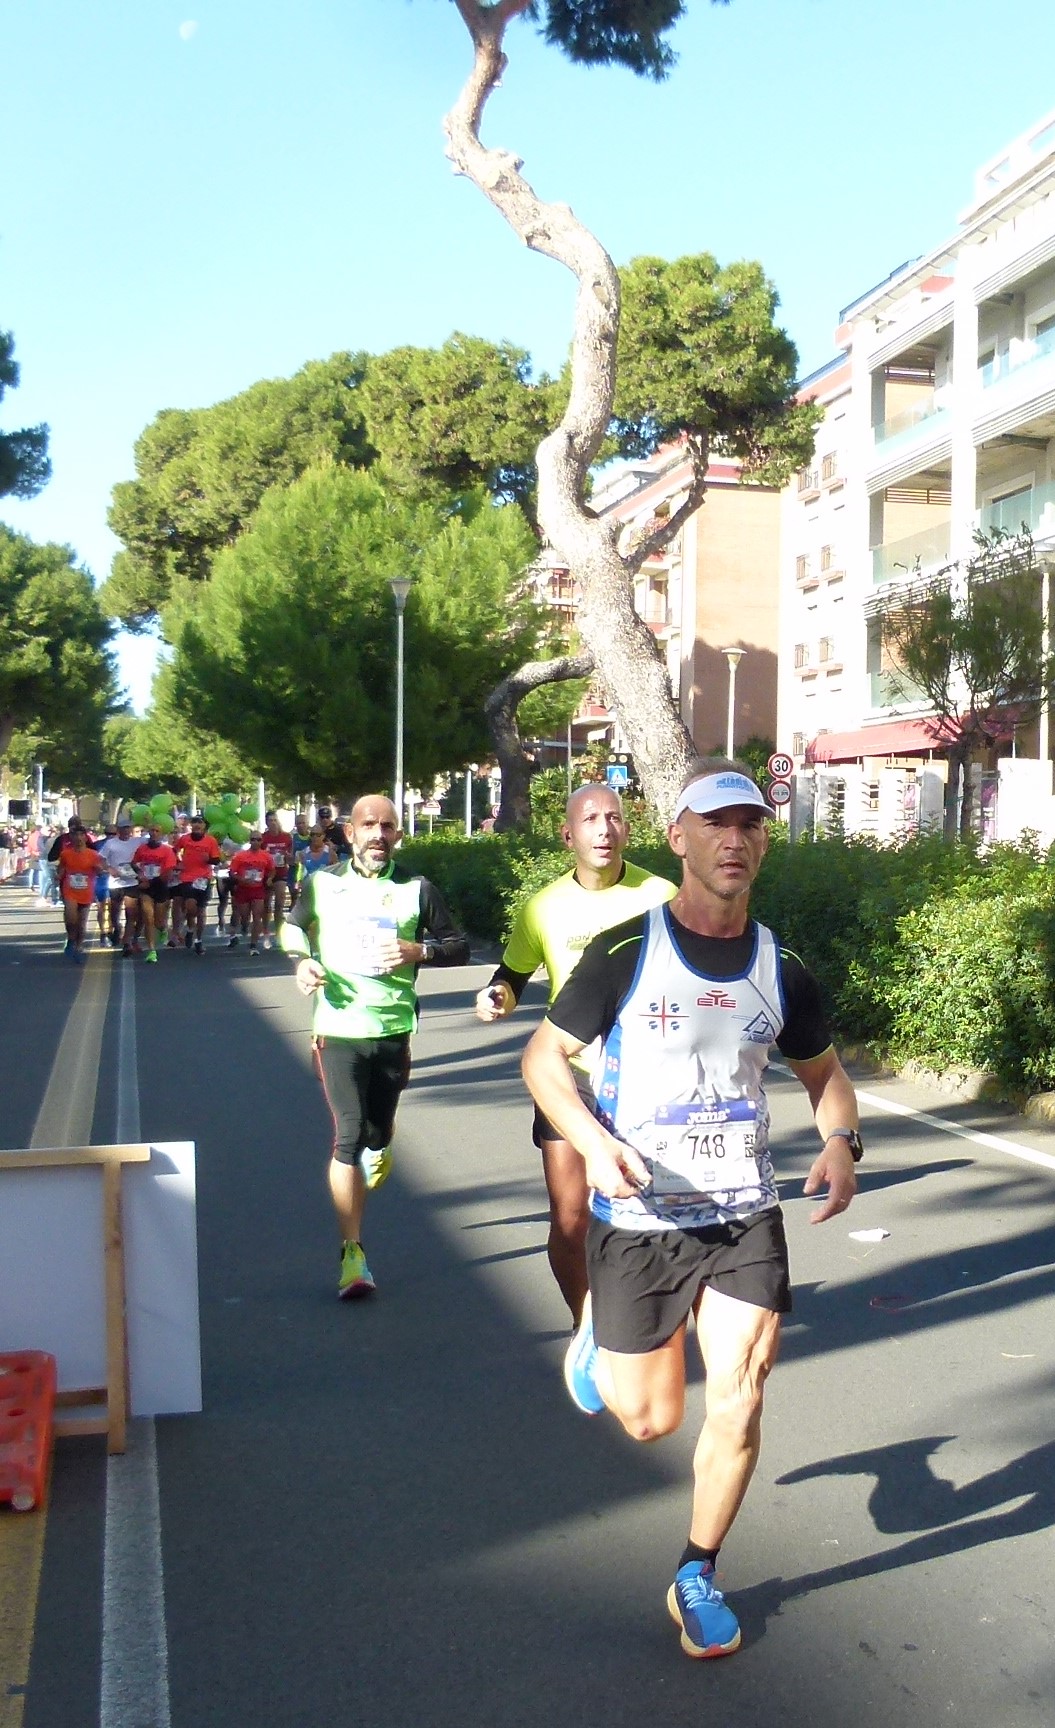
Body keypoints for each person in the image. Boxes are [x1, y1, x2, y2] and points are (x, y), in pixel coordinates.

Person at [522, 758, 862, 1661]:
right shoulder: (624, 953)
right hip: (639, 1220)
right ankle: (596, 1327)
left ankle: (695, 1573)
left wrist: (839, 1141)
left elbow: (825, 1077)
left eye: (750, 825)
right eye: (715, 823)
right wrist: (592, 1143)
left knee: (740, 1398)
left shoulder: (781, 967)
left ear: (763, 845)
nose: (734, 840)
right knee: (648, 1421)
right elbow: (542, 1061)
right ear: (678, 838)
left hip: (743, 1214)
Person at [475, 783, 675, 1326]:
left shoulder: (660, 895)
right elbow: (512, 974)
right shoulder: (544, 907)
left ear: (627, 830)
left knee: (649, 1212)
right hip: (569, 1076)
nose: (604, 829)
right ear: (568, 835)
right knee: (570, 1219)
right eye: (590, 819)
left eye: (614, 818)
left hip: (645, 1079)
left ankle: (642, 1317)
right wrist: (498, 996)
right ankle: (585, 1324)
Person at [280, 793, 470, 1298]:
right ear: (350, 833)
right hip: (338, 1028)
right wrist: (303, 961)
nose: (378, 835)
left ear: (398, 835)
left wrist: (418, 950)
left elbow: (459, 946)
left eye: (387, 827)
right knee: (347, 1135)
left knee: (376, 1132)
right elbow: (293, 926)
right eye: (368, 825)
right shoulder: (323, 883)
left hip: (393, 1029)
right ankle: (353, 1254)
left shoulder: (416, 888)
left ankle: (380, 1145)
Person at [173, 813, 222, 955]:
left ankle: (198, 940)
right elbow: (174, 850)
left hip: (204, 878)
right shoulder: (185, 839)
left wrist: (209, 859)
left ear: (204, 826)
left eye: (200, 822)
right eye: (194, 822)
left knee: (201, 911)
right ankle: (190, 928)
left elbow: (216, 859)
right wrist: (178, 862)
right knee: (190, 907)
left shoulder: (210, 841)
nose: (197, 825)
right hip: (187, 877)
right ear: (191, 825)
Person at [56, 827, 106, 962]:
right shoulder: (66, 854)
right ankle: (71, 939)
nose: (78, 838)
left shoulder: (93, 854)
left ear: (85, 837)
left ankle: (79, 947)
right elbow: (61, 869)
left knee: (82, 922)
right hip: (70, 890)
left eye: (81, 835)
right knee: (71, 918)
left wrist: (99, 870)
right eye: (75, 835)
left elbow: (100, 870)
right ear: (71, 837)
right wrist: (58, 876)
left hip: (86, 891)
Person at [133, 822, 179, 962]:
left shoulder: (167, 851)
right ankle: (151, 950)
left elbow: (167, 874)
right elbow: (134, 863)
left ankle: (163, 929)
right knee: (148, 918)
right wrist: (139, 873)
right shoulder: (142, 848)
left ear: (161, 834)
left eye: (157, 831)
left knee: (158, 921)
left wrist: (150, 882)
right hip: (146, 889)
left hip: (160, 886)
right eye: (152, 830)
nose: (154, 833)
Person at [98, 818, 144, 954]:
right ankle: (116, 927)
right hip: (115, 883)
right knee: (114, 912)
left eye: (128, 827)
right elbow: (101, 859)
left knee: (131, 913)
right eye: (124, 828)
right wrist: (109, 869)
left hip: (132, 882)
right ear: (118, 830)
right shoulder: (111, 843)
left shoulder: (137, 841)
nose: (126, 830)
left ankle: (127, 942)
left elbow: (155, 838)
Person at [228, 828, 274, 955]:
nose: (256, 842)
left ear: (261, 841)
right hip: (243, 889)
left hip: (258, 889)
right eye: (253, 839)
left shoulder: (266, 856)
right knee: (244, 916)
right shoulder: (240, 856)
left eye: (258, 840)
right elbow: (232, 872)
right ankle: (244, 925)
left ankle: (253, 945)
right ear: (249, 841)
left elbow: (272, 870)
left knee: (257, 917)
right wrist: (241, 879)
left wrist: (269, 879)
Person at [260, 811, 294, 949]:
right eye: (270, 820)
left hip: (281, 873)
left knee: (279, 904)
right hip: (267, 874)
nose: (273, 823)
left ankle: (279, 934)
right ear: (267, 822)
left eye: (275, 820)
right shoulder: (263, 838)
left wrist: (288, 857)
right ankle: (266, 933)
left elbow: (291, 857)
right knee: (266, 905)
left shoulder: (286, 837)